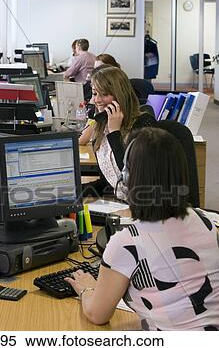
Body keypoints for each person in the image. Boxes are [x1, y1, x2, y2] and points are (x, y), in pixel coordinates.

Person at [66, 127, 219, 330]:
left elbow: (97, 314)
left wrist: (88, 289)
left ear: (129, 180)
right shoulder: (206, 221)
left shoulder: (128, 242)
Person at [81, 66, 155, 198]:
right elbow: (107, 184)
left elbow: (134, 178)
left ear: (120, 95)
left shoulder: (143, 124)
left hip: (143, 205)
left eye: (104, 94)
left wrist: (114, 133)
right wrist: (71, 192)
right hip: (116, 204)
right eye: (94, 93)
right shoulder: (100, 129)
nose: (97, 100)